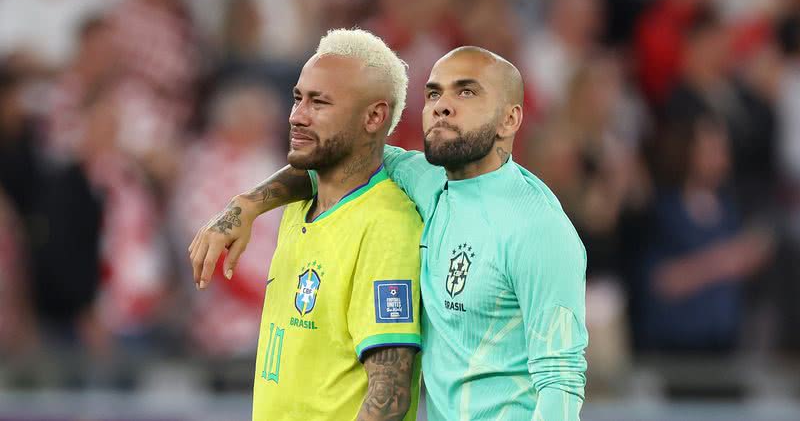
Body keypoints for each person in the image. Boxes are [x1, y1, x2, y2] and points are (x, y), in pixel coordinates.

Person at [190, 45, 588, 420]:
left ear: (510, 118)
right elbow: (336, 157)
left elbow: (562, 378)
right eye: (433, 94)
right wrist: (247, 205)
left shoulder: (537, 229)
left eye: (466, 93)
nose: (442, 106)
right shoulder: (427, 181)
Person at [191, 28, 423, 421]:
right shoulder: (301, 201)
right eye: (298, 98)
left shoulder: (387, 227)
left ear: (374, 116)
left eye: (320, 103)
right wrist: (244, 206)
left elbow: (391, 396)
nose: (297, 116)